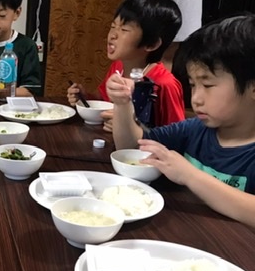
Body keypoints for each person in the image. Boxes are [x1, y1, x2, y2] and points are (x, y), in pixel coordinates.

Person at [106, 14, 255, 228]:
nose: (196, 98)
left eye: (208, 85)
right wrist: (122, 104)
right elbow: (132, 147)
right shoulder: (195, 129)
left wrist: (189, 175)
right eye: (193, 85)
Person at [66, 0, 185, 130]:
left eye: (124, 29)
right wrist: (84, 98)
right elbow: (104, 101)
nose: (112, 35)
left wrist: (128, 127)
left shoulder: (165, 84)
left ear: (151, 44)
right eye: (113, 26)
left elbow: (179, 136)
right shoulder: (118, 66)